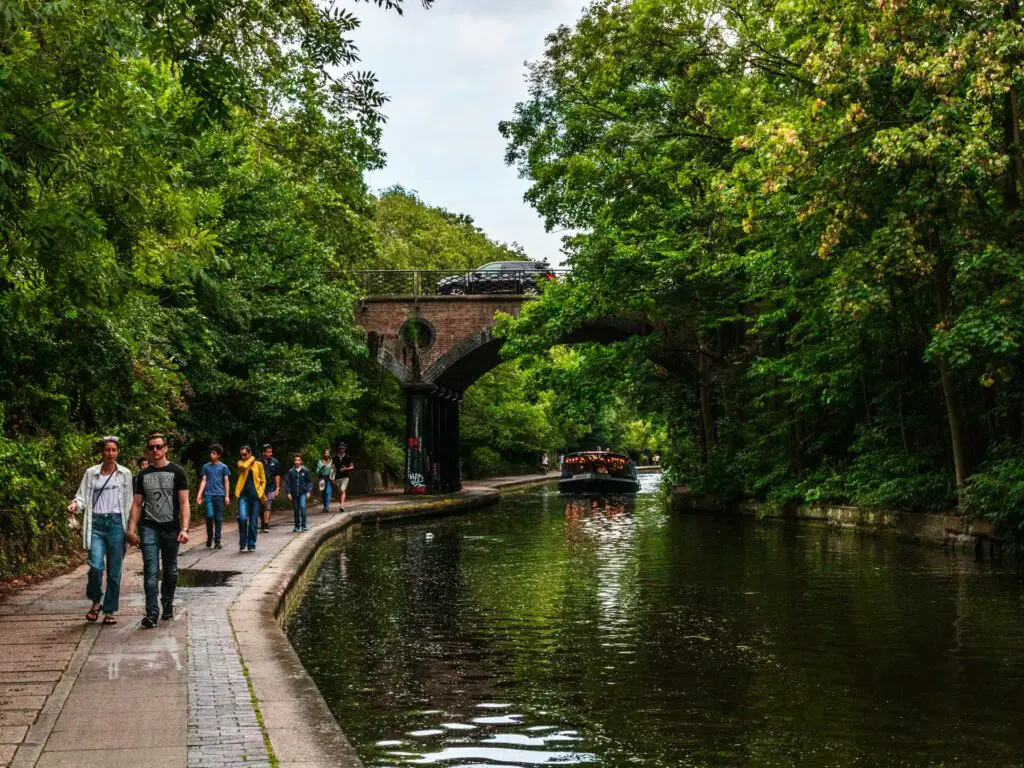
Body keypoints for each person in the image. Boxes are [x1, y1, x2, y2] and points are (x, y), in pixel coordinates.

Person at [68, 437, 134, 625]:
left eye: (114, 450)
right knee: (96, 566)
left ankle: (110, 609)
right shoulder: (91, 473)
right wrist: (74, 505)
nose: (110, 453)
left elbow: (129, 502)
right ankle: (96, 600)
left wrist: (131, 528)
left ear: (118, 452)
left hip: (116, 525)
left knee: (115, 571)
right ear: (102, 452)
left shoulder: (125, 474)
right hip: (95, 523)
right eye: (107, 450)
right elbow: (81, 497)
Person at [127, 432, 190, 629]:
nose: (155, 450)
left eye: (159, 446)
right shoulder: (143, 476)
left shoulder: (178, 472)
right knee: (151, 571)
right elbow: (137, 505)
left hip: (171, 528)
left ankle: (167, 603)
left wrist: (185, 528)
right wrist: (131, 530)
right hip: (149, 528)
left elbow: (184, 502)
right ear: (147, 451)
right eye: (152, 447)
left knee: (170, 570)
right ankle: (152, 612)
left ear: (166, 448)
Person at [196, 443, 231, 549]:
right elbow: (204, 480)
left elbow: (226, 481)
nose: (211, 455)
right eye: (211, 453)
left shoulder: (223, 467)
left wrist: (227, 496)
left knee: (218, 518)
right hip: (208, 495)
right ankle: (210, 537)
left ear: (218, 455)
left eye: (214, 453)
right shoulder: (206, 467)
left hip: (220, 495)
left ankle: (217, 540)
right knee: (209, 516)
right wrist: (199, 495)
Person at [234, 445, 266, 552]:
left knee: (253, 522)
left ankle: (251, 544)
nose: (243, 456)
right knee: (242, 518)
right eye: (241, 454)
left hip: (255, 496)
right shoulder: (240, 463)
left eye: (245, 454)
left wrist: (260, 492)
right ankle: (243, 542)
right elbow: (243, 467)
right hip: (243, 496)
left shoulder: (259, 464)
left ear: (250, 453)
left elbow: (263, 480)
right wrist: (250, 459)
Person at [286, 454, 313, 533]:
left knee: (303, 507)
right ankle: (297, 526)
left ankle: (304, 525)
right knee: (296, 510)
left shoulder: (305, 470)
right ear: (294, 461)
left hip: (302, 493)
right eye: (295, 460)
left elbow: (309, 481)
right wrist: (288, 493)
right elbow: (288, 483)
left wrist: (308, 491)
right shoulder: (291, 471)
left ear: (301, 461)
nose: (297, 461)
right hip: (294, 494)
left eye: (298, 460)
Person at [259, 444, 281, 532]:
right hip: (260, 488)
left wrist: (278, 487)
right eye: (268, 452)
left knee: (268, 506)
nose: (270, 454)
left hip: (271, 487)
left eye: (271, 452)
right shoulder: (258, 462)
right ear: (263, 452)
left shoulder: (275, 462)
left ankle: (266, 524)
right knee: (261, 507)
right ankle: (263, 523)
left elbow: (277, 475)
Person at [332, 443, 354, 513]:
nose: (341, 449)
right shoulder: (335, 457)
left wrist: (346, 469)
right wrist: (331, 476)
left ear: (345, 449)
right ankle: (341, 504)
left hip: (345, 477)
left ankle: (342, 506)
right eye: (340, 448)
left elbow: (352, 467)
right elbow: (332, 467)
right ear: (339, 449)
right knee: (340, 492)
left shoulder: (348, 457)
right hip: (337, 477)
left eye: (343, 448)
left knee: (342, 490)